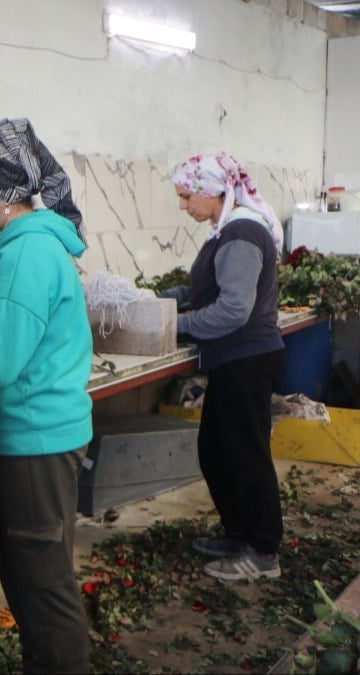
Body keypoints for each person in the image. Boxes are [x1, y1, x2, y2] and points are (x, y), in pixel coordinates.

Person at [0, 117, 93, 674]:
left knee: (41, 581)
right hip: (40, 433)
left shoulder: (25, 255)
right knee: (34, 568)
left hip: (33, 438)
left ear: (6, 198)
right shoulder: (30, 243)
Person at [163, 152, 286, 581]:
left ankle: (263, 551)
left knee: (245, 455)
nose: (183, 206)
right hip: (234, 359)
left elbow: (234, 309)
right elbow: (208, 287)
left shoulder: (239, 233)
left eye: (185, 196)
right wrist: (166, 300)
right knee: (217, 451)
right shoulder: (227, 229)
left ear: (210, 190)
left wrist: (174, 326)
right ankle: (239, 533)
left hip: (246, 358)